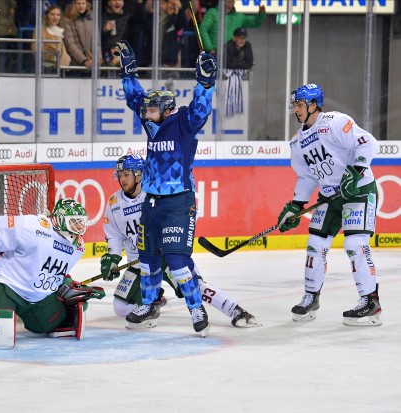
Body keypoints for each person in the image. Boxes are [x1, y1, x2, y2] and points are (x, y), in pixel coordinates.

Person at [113, 39, 218, 337]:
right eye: (147, 109)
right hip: (153, 203)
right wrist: (129, 71)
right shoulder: (151, 124)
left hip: (179, 203)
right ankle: (148, 305)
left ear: (167, 109)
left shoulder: (184, 121)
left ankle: (196, 308)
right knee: (147, 258)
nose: (146, 112)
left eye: (152, 109)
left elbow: (201, 108)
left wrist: (205, 82)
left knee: (177, 261)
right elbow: (135, 99)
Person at [102, 155, 259, 328]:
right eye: (120, 175)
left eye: (127, 174)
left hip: (167, 255)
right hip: (141, 262)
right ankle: (153, 305)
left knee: (195, 287)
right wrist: (113, 257)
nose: (122, 179)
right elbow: (114, 234)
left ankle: (236, 311)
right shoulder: (114, 202)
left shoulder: (156, 192)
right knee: (120, 307)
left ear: (139, 174)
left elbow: (182, 216)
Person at [278, 83, 381, 327]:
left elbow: (368, 143)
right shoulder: (297, 142)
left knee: (355, 243)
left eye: (300, 104)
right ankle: (311, 297)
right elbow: (306, 177)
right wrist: (296, 205)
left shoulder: (334, 121)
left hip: (358, 189)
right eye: (294, 105)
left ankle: (371, 301)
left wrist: (356, 171)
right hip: (329, 196)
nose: (296, 109)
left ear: (314, 104)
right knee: (315, 243)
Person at [0, 198, 105, 339]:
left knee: (53, 323)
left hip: (38, 298)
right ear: (59, 219)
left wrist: (67, 287)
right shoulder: (35, 226)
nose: (80, 227)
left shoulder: (78, 247)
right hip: (5, 285)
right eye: (74, 222)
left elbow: (53, 270)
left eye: (81, 222)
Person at [199, 0, 266, 56]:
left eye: (231, 2)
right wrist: (210, 49)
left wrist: (261, 14)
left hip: (232, 54)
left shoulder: (239, 16)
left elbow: (255, 23)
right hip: (214, 52)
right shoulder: (212, 13)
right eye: (227, 1)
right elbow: (202, 29)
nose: (228, 4)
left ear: (234, 3)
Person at [63, 0, 102, 71]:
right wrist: (84, 60)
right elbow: (70, 44)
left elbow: (97, 42)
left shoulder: (92, 19)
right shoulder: (68, 20)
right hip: (75, 64)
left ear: (86, 4)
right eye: (78, 4)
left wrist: (98, 59)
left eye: (83, 3)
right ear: (74, 5)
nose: (81, 6)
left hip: (92, 63)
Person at [32, 5, 71, 72]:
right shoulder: (41, 29)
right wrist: (52, 57)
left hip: (61, 68)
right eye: (52, 14)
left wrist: (66, 58)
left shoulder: (60, 30)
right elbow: (36, 49)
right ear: (47, 15)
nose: (55, 17)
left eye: (58, 15)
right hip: (46, 68)